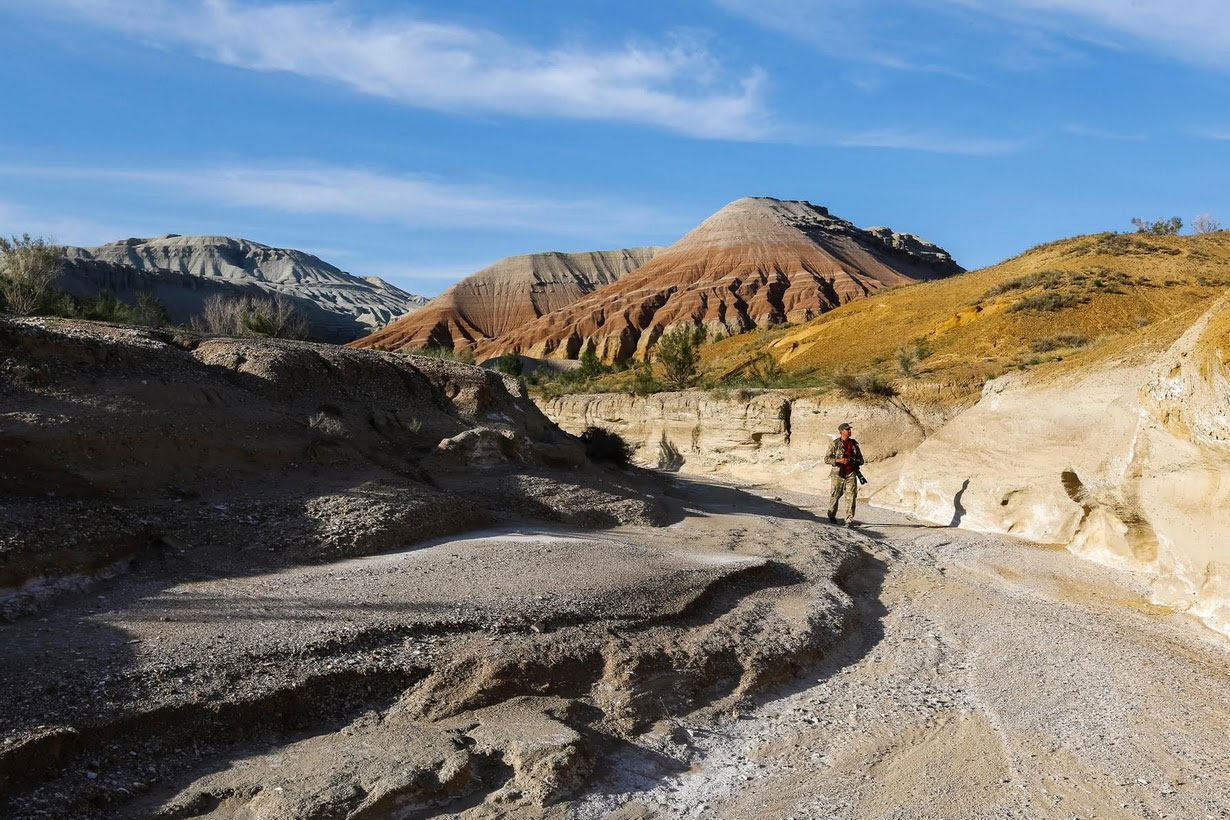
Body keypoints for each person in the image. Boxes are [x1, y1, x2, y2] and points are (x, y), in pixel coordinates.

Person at [824, 422, 864, 526]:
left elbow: (861, 460)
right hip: (838, 474)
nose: (849, 431)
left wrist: (853, 461)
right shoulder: (835, 444)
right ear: (841, 431)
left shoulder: (854, 444)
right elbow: (827, 459)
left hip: (851, 473)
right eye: (847, 429)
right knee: (835, 495)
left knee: (851, 497)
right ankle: (831, 515)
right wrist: (838, 460)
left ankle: (849, 520)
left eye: (850, 429)